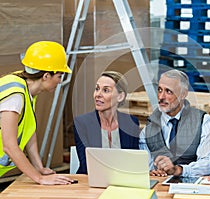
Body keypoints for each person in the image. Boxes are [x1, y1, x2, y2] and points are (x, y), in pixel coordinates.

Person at [0, 41, 74, 185]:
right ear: (46, 76)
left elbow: (29, 131)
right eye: (59, 76)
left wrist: (38, 167)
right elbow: (9, 145)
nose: (60, 82)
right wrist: (39, 179)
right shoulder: (15, 95)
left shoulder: (27, 90)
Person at [139, 69, 210, 177]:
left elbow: (209, 165)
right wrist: (152, 172)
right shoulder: (148, 130)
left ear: (183, 94)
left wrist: (179, 170)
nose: (161, 97)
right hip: (161, 188)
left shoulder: (204, 122)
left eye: (168, 91)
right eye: (159, 90)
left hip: (193, 189)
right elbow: (146, 168)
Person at [73, 71, 140, 174]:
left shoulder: (131, 123)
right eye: (97, 89)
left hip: (123, 183)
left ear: (120, 96)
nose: (98, 95)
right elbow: (86, 165)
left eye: (106, 90)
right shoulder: (82, 123)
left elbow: (134, 162)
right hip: (90, 182)